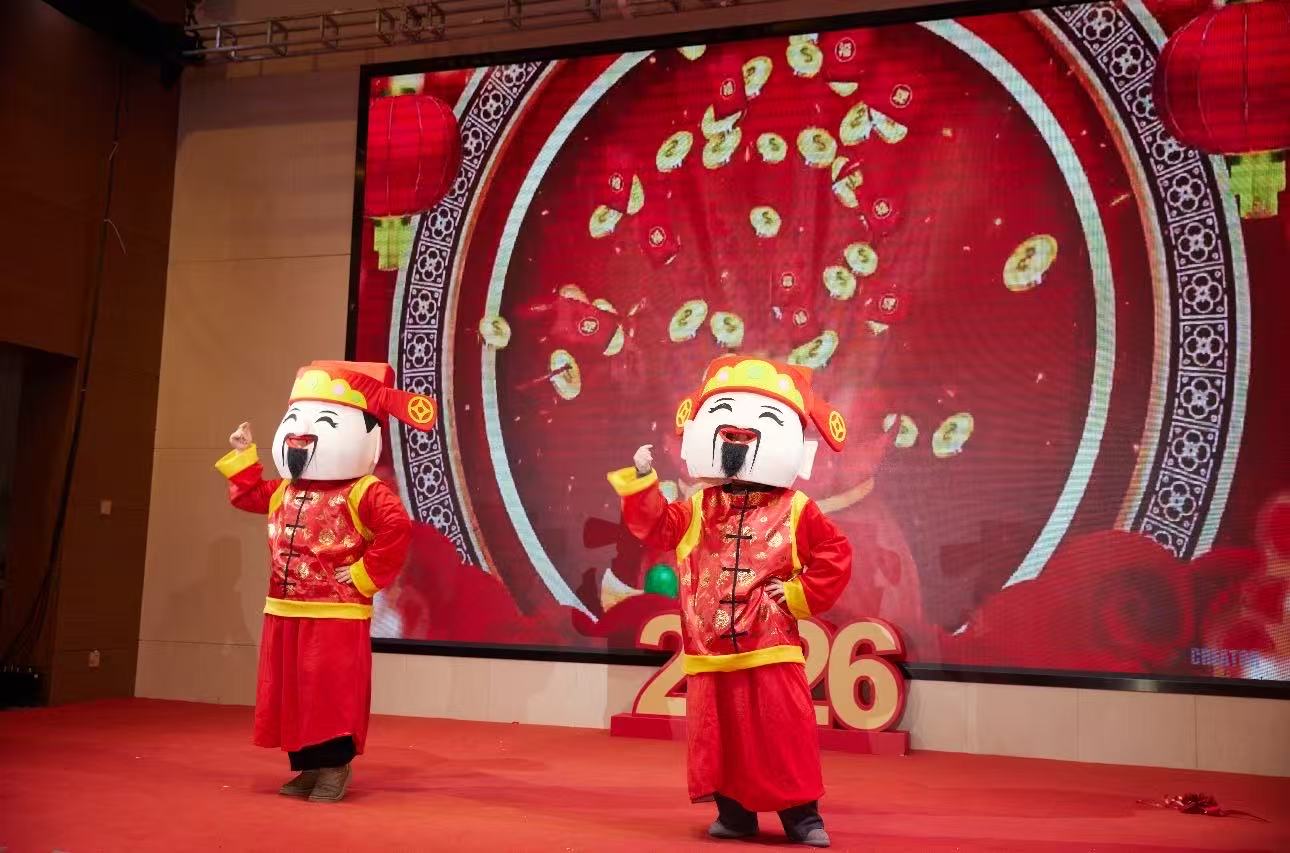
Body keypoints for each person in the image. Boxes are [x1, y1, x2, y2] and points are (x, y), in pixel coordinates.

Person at [608, 355, 868, 847]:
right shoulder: (699, 507)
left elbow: (835, 552)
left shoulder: (796, 508)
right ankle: (735, 814)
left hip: (770, 645)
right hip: (709, 650)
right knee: (718, 738)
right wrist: (642, 481)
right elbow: (656, 527)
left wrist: (798, 595)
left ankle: (802, 818)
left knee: (783, 735)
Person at [214, 360, 436, 802]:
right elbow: (250, 496)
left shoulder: (364, 491)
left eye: (327, 422)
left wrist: (363, 575)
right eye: (295, 418)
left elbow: (397, 528)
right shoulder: (286, 489)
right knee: (292, 692)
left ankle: (334, 766)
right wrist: (244, 453)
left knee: (328, 692)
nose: (301, 433)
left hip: (336, 612)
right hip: (283, 608)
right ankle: (308, 768)